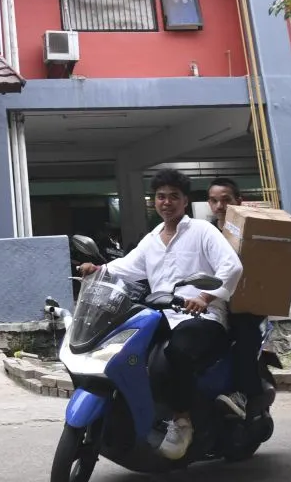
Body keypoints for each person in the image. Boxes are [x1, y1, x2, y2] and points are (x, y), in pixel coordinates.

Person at [78, 170, 242, 460]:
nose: (167, 202)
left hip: (203, 318)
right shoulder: (151, 239)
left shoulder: (202, 231)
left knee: (175, 354)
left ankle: (182, 422)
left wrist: (203, 297)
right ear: (154, 201)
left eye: (174, 197)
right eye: (161, 197)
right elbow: (125, 267)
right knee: (126, 354)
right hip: (162, 317)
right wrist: (97, 270)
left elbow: (232, 267)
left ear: (185, 201)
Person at [205, 177, 291, 420]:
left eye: (225, 200)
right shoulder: (205, 232)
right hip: (213, 302)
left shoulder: (253, 227)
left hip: (247, 304)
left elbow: (276, 246)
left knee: (244, 339)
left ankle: (243, 394)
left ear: (238, 201)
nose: (219, 206)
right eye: (213, 201)